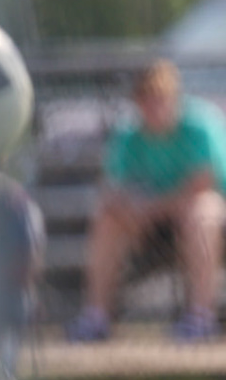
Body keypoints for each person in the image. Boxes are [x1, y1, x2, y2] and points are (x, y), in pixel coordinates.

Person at [66, 58, 226, 343]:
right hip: (154, 223)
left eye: (160, 96)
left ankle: (201, 317)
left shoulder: (199, 124)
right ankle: (96, 316)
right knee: (107, 216)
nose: (153, 106)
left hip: (208, 223)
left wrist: (152, 206)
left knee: (203, 211)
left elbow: (202, 184)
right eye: (145, 97)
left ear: (174, 96)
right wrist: (131, 205)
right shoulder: (129, 133)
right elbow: (112, 188)